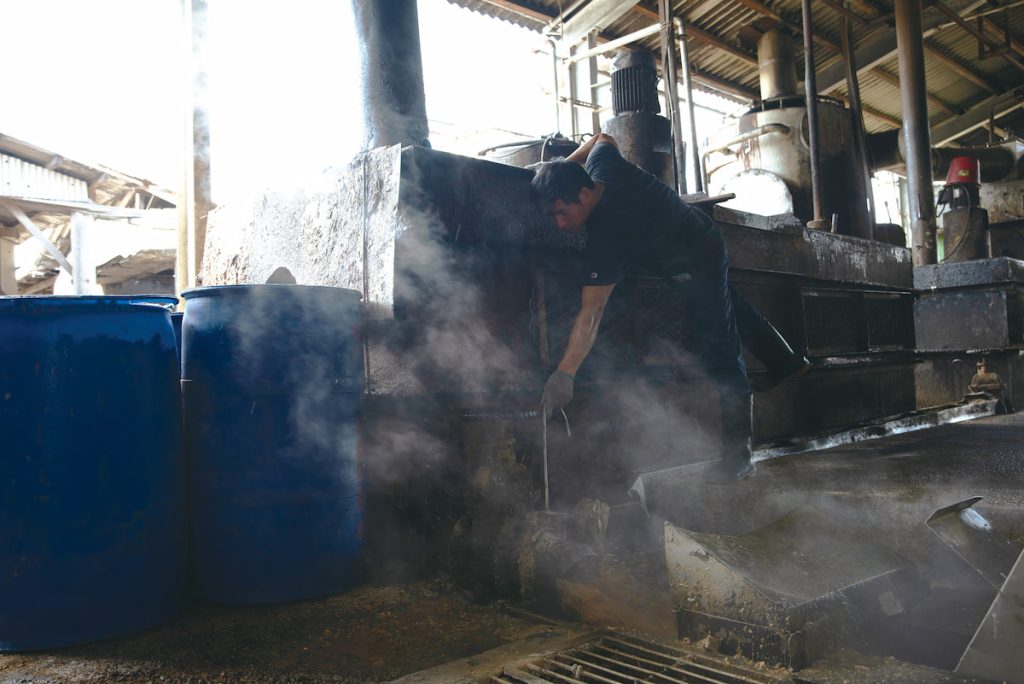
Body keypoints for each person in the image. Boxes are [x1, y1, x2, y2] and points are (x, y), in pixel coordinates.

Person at [530, 132, 808, 481]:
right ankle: (786, 360)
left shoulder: (608, 231)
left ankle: (739, 457)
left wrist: (565, 373)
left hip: (695, 260)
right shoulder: (601, 167)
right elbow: (604, 137)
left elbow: (592, 313)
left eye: (561, 212)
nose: (559, 223)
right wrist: (559, 168)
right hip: (696, 234)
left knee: (720, 351)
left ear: (584, 194)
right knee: (730, 308)